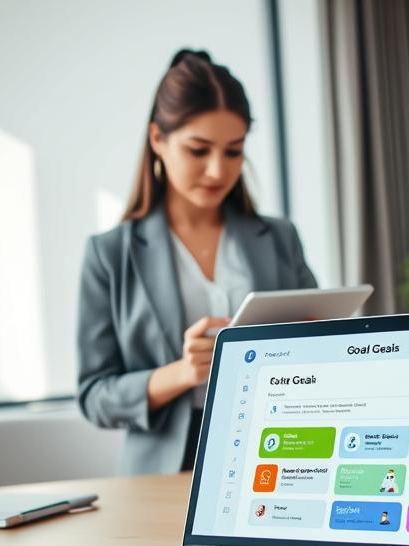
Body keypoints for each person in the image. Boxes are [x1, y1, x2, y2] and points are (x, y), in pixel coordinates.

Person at [77, 49, 317, 475]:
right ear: (157, 140)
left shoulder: (280, 238)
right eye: (198, 150)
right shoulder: (110, 254)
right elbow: (94, 396)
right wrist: (184, 372)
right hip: (167, 466)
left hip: (275, 448)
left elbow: (319, 343)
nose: (217, 171)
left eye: (233, 151)